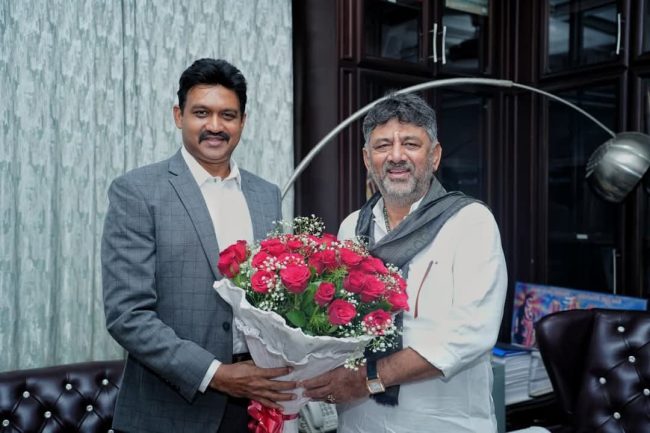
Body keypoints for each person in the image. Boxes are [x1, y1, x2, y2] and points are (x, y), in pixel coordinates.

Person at [101, 58, 296, 433]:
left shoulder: (266, 195)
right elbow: (128, 315)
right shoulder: (138, 192)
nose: (215, 126)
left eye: (228, 115)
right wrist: (216, 374)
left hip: (257, 403)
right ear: (179, 116)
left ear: (243, 121)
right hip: (171, 412)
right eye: (201, 113)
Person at [301, 93, 508, 432]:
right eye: (383, 146)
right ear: (367, 159)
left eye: (411, 144)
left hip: (443, 424)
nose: (396, 156)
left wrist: (370, 377)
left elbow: (471, 333)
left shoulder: (470, 222)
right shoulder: (352, 227)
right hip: (361, 423)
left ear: (435, 155)